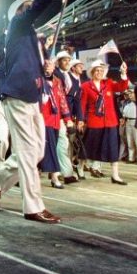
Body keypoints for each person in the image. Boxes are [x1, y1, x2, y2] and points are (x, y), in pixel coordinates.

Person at [0, 0, 78, 224]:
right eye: (25, 7)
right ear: (18, 12)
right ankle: (33, 206)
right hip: (17, 94)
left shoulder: (31, 39)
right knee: (28, 152)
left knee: (37, 151)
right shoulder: (17, 26)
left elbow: (29, 65)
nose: (30, 10)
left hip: (32, 95)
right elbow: (38, 5)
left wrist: (46, 69)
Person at [80, 60, 129, 185]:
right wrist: (80, 120)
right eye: (97, 70)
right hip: (94, 122)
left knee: (113, 148)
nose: (99, 73)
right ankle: (80, 167)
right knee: (88, 147)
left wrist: (123, 73)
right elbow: (82, 104)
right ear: (92, 72)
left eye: (101, 71)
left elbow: (122, 87)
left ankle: (115, 175)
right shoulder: (85, 86)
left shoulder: (108, 83)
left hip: (110, 122)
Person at [40, 59, 73, 188]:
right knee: (45, 149)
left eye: (50, 65)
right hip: (41, 119)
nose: (48, 67)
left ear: (54, 67)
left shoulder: (58, 82)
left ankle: (53, 176)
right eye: (45, 64)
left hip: (54, 120)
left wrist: (68, 119)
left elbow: (62, 100)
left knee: (50, 148)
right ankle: (52, 176)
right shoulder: (37, 80)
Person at [52, 51, 81, 184]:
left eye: (69, 60)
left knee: (63, 143)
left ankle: (65, 173)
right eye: (64, 60)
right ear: (58, 62)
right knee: (51, 144)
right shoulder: (54, 73)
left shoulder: (73, 79)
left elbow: (76, 100)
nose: (67, 63)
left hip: (64, 115)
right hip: (52, 113)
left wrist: (78, 118)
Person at [121, 89, 137, 164]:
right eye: (130, 94)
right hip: (128, 122)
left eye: (132, 93)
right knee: (130, 141)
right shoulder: (127, 104)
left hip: (136, 122)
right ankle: (131, 158)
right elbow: (124, 114)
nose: (130, 95)